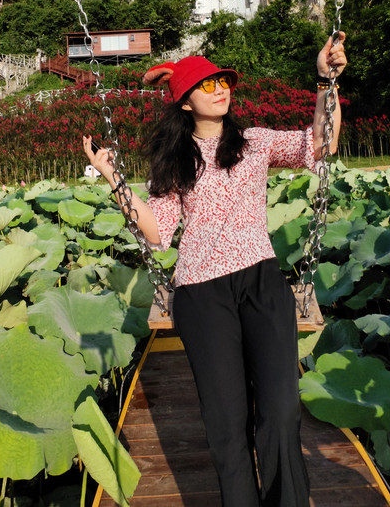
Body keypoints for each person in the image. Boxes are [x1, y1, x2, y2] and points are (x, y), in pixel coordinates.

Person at [83, 34, 347, 507]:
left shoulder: (255, 142)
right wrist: (114, 179)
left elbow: (320, 144)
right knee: (226, 424)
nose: (220, 89)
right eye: (206, 85)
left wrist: (326, 82)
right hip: (202, 292)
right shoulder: (175, 162)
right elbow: (157, 231)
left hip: (261, 281)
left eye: (223, 81)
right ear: (185, 102)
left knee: (281, 410)